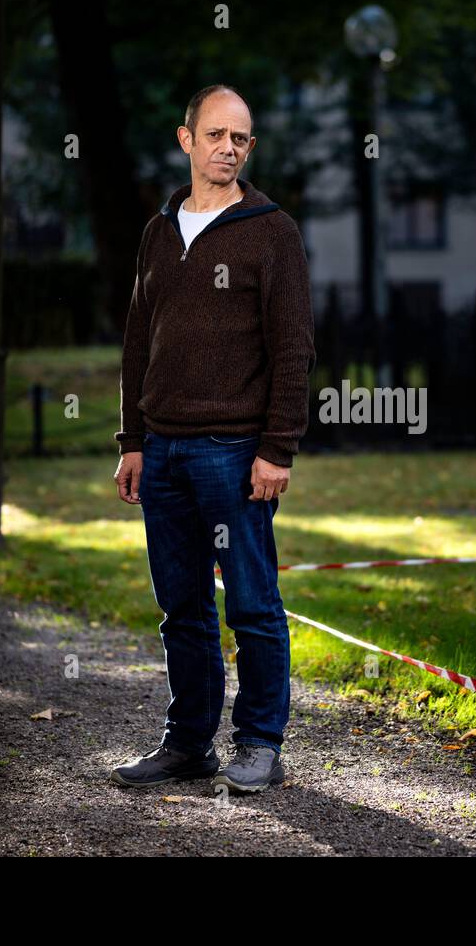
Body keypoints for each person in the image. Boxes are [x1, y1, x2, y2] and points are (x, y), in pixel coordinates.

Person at [108, 85, 316, 794]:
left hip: (234, 453)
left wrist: (277, 448)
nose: (230, 148)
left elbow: (294, 349)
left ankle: (260, 742)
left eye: (243, 139)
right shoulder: (159, 231)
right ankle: (188, 742)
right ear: (186, 139)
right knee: (182, 607)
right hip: (162, 450)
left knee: (252, 603)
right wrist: (132, 438)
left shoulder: (271, 231)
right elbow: (140, 340)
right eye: (218, 135)